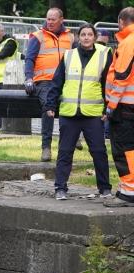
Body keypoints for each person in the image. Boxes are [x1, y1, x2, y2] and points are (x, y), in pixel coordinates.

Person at [44, 24, 112, 200]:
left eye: (90, 34)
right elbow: (57, 81)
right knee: (65, 152)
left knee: (98, 152)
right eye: (83, 34)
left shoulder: (104, 55)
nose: (86, 37)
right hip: (69, 113)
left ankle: (104, 188)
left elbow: (108, 84)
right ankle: (60, 188)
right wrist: (50, 105)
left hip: (93, 113)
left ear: (95, 37)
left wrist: (108, 107)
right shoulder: (68, 55)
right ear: (77, 37)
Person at [24, 8, 75, 162]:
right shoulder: (38, 36)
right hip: (44, 81)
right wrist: (28, 78)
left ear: (61, 19)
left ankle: (74, 137)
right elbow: (29, 59)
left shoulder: (71, 37)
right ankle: (46, 147)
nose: (50, 22)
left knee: (74, 102)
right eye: (48, 19)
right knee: (49, 106)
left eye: (53, 19)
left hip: (66, 81)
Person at [104, 7, 134, 207]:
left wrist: (110, 106)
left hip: (125, 106)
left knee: (125, 150)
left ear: (121, 21)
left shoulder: (129, 42)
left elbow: (122, 76)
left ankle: (128, 192)